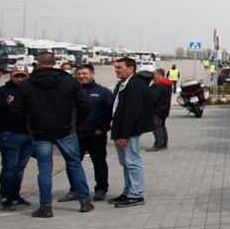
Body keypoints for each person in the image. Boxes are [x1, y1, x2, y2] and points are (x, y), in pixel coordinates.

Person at [12, 52, 94, 217]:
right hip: (66, 129)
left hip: (40, 131)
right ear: (55, 62)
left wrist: (29, 125)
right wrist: (74, 121)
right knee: (74, 164)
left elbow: (17, 111)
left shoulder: (27, 84)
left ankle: (46, 206)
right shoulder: (69, 81)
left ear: (38, 63)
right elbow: (85, 105)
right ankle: (84, 201)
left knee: (44, 168)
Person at [61, 64, 113, 202]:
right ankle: (74, 190)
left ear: (92, 73)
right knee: (72, 163)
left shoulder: (103, 92)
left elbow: (109, 112)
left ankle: (101, 189)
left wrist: (102, 128)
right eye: (79, 74)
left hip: (95, 134)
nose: (81, 76)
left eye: (84, 73)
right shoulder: (70, 92)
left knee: (99, 162)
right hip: (74, 135)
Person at [108, 57, 152, 206]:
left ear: (131, 68)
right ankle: (128, 191)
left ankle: (136, 194)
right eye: (115, 68)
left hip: (128, 131)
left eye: (120, 67)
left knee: (132, 162)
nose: (117, 70)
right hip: (119, 128)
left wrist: (124, 135)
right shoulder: (123, 84)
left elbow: (132, 113)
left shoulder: (136, 85)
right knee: (126, 163)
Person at [0, 66, 33, 209]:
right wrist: (6, 105)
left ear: (28, 76)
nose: (19, 79)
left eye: (23, 76)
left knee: (20, 168)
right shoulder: (1, 92)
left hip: (28, 135)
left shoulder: (32, 91)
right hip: (9, 135)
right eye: (16, 76)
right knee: (9, 167)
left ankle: (15, 195)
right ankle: (6, 198)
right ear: (11, 76)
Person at [148, 66, 173, 151]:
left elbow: (154, 98)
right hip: (164, 109)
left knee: (157, 127)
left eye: (154, 73)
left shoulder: (159, 85)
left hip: (157, 109)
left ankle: (158, 145)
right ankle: (164, 144)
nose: (152, 75)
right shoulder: (167, 84)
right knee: (161, 126)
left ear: (159, 74)